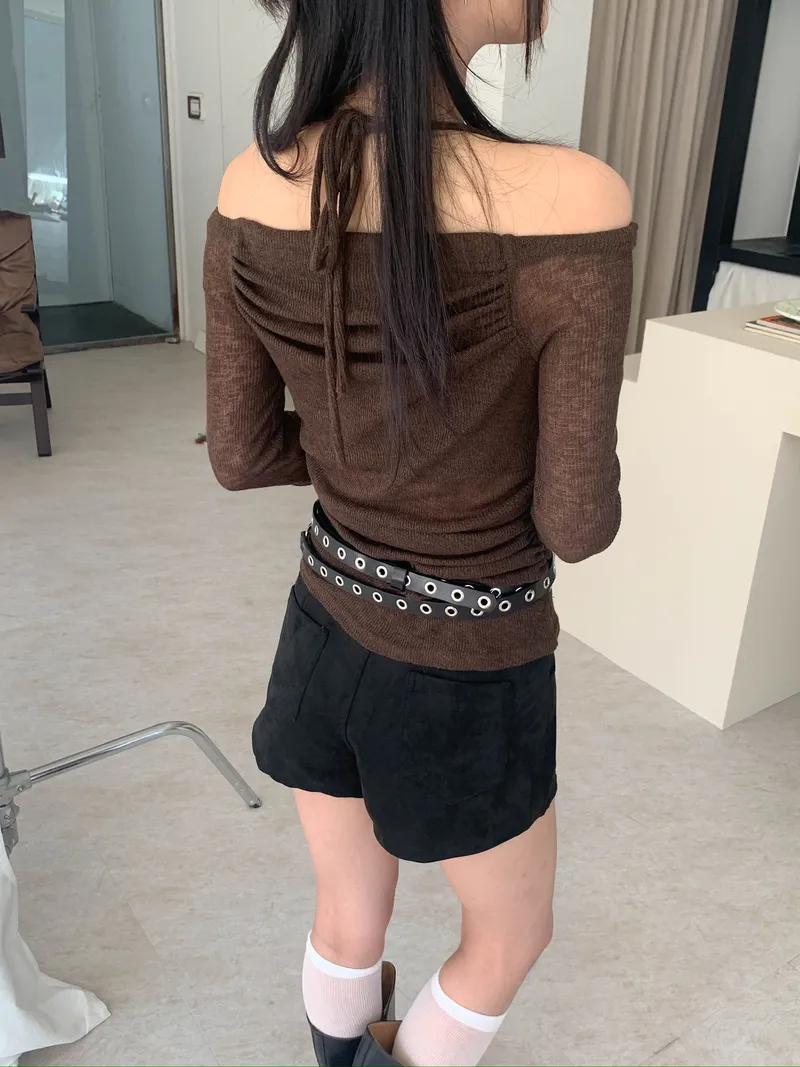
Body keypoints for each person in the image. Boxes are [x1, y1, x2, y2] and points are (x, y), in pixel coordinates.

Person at [204, 1, 634, 1063]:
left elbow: (240, 454)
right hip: (468, 659)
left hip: (321, 623)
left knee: (348, 908)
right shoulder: (571, 197)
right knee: (510, 936)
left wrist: (365, 466)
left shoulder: (249, 181)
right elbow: (574, 521)